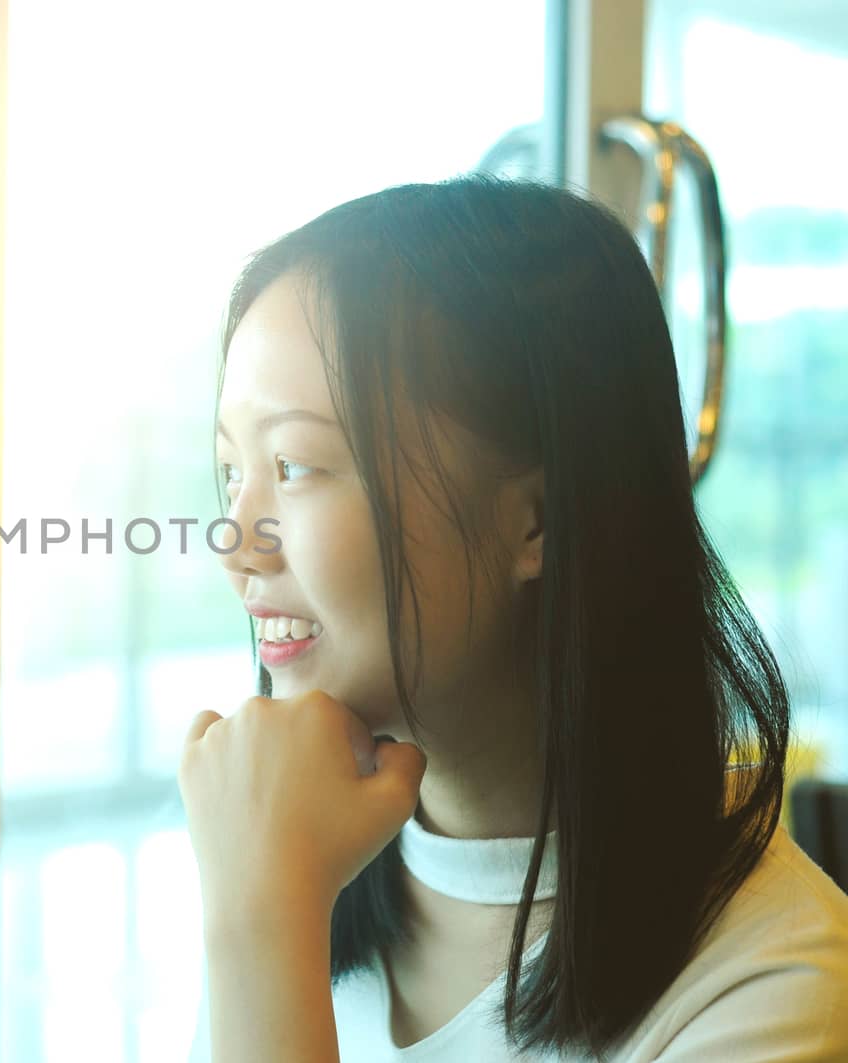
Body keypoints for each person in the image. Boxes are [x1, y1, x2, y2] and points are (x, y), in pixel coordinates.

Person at [179, 175, 848, 1062]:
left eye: (295, 465)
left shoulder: (771, 981)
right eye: (233, 472)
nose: (235, 539)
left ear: (535, 518)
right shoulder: (295, 858)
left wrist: (260, 922)